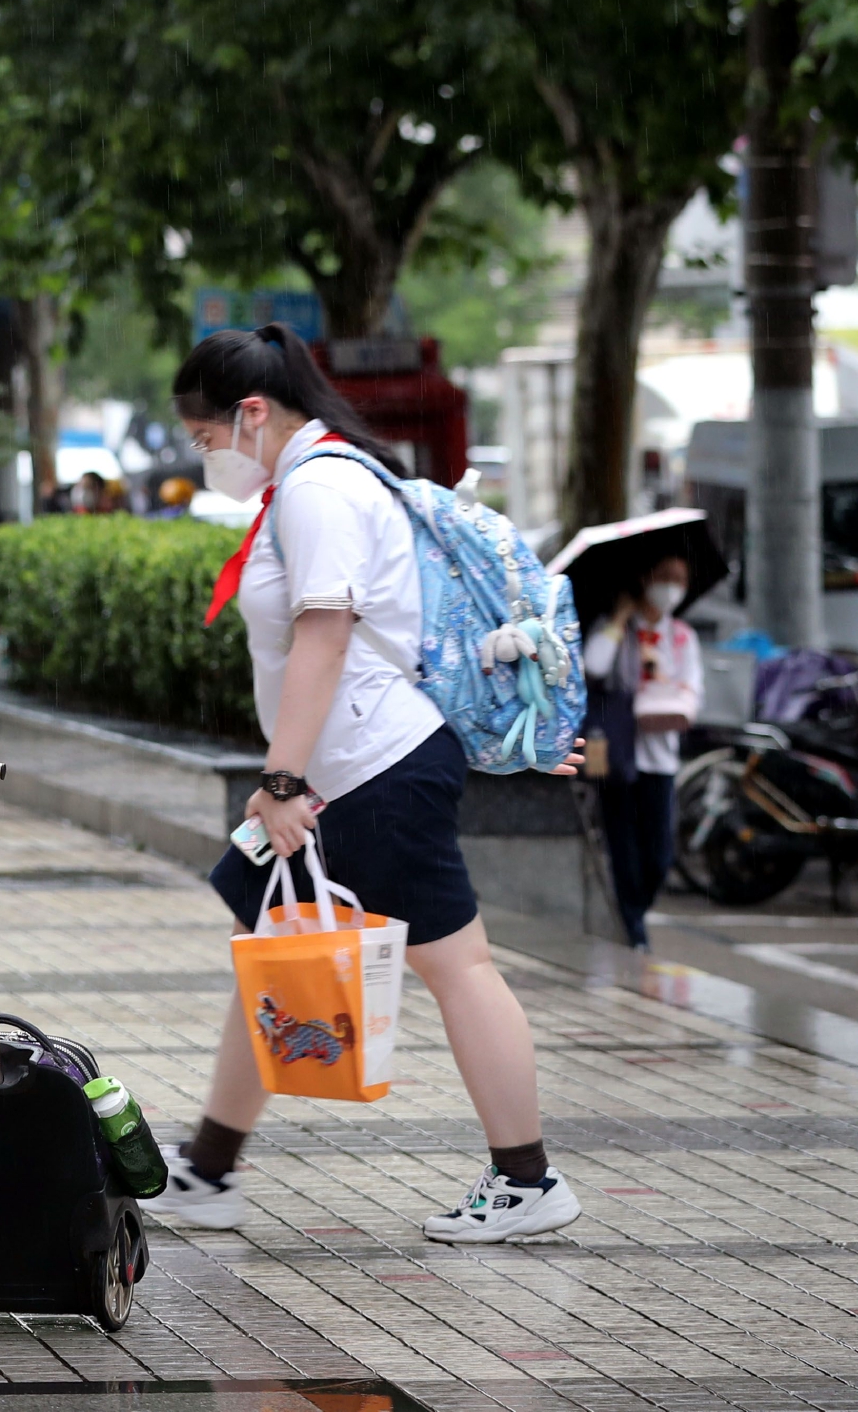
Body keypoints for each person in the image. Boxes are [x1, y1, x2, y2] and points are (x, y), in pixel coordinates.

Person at [158, 323, 585, 1246]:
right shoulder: (318, 481)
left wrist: (282, 777)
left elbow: (325, 639)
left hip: (369, 771)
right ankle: (209, 1166)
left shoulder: (320, 489)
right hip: (356, 766)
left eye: (204, 437)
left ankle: (527, 1179)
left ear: (254, 412)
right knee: (266, 945)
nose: (205, 458)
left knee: (456, 963)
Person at [585, 553, 702, 949]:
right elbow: (595, 666)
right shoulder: (616, 627)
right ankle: (634, 927)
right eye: (664, 576)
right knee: (622, 845)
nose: (671, 587)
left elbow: (692, 691)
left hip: (661, 757)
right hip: (617, 753)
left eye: (680, 580)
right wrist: (620, 620)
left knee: (659, 855)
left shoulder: (682, 636)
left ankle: (635, 909)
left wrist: (659, 674)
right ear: (645, 578)